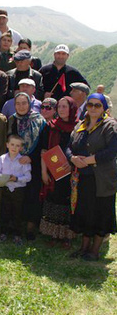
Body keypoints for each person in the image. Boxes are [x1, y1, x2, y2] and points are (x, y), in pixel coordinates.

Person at [67, 93, 117, 261]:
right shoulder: (81, 125)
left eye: (97, 105)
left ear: (104, 108)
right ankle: (84, 247)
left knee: (100, 212)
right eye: (90, 105)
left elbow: (112, 151)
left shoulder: (110, 126)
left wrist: (89, 160)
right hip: (83, 178)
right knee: (85, 212)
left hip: (101, 179)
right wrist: (72, 158)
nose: (93, 108)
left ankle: (95, 250)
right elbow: (69, 146)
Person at [7, 92, 47, 240]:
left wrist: (31, 157)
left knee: (33, 195)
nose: (21, 106)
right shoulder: (12, 120)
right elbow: (9, 140)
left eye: (24, 103)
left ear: (29, 104)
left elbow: (44, 144)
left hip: (34, 164)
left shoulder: (40, 120)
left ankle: (31, 227)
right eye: (18, 103)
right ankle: (16, 225)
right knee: (17, 194)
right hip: (15, 163)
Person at [39, 97, 78, 247]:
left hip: (72, 171)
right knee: (54, 199)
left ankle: (67, 236)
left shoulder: (79, 127)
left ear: (72, 109)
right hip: (52, 171)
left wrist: (72, 163)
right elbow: (44, 150)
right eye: (59, 107)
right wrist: (43, 171)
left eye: (65, 106)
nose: (61, 109)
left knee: (68, 201)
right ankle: (53, 234)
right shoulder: (50, 126)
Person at [0, 134, 32, 245]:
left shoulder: (23, 160)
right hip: (5, 189)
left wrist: (16, 179)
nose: (14, 148)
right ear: (7, 145)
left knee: (17, 213)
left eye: (17, 145)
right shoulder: (2, 158)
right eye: (12, 144)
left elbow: (28, 177)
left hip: (18, 190)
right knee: (4, 211)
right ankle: (3, 233)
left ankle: (17, 235)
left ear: (21, 148)